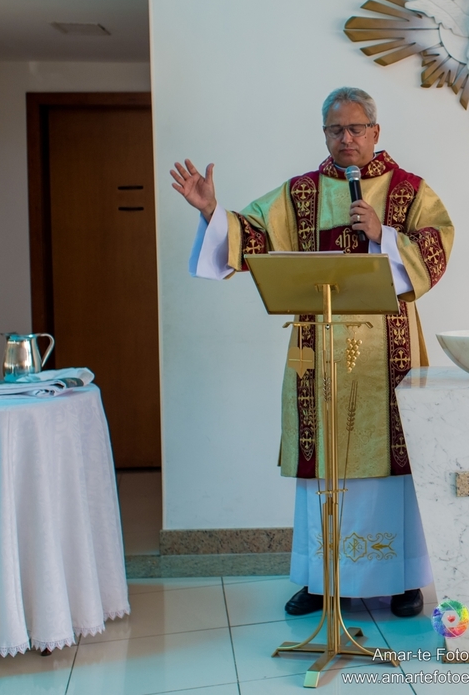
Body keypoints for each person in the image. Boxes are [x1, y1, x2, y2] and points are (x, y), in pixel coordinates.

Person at [171, 87, 454, 616]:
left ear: (375, 131)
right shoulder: (300, 193)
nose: (345, 139)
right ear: (324, 133)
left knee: (394, 464)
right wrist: (213, 211)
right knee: (322, 464)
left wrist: (385, 234)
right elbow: (251, 234)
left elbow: (437, 247)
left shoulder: (410, 191)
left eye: (354, 129)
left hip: (387, 354)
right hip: (318, 348)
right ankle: (322, 577)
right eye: (334, 130)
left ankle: (402, 578)